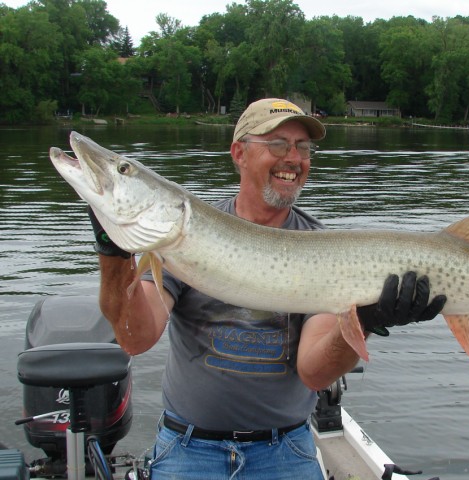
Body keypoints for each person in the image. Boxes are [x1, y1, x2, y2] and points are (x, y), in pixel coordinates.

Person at [90, 98, 446, 480]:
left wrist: (365, 319)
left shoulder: (323, 248)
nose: (293, 158)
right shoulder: (179, 239)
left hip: (285, 452)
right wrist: (113, 253)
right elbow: (135, 338)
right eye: (278, 144)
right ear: (239, 153)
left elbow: (315, 373)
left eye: (303, 147)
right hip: (188, 450)